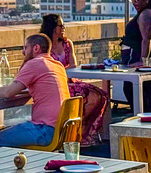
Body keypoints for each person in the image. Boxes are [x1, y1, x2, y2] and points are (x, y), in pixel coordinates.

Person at [0, 34, 69, 148]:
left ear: (36, 48)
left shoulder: (35, 63)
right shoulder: (57, 65)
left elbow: (8, 92)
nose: (23, 52)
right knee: (6, 133)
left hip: (45, 130)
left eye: (25, 48)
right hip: (63, 130)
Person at [40, 14, 108, 146]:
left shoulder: (67, 44)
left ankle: (84, 132)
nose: (63, 28)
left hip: (71, 80)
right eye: (61, 25)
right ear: (53, 28)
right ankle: (75, 134)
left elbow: (73, 64)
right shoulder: (44, 46)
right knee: (85, 96)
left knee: (100, 96)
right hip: (57, 85)